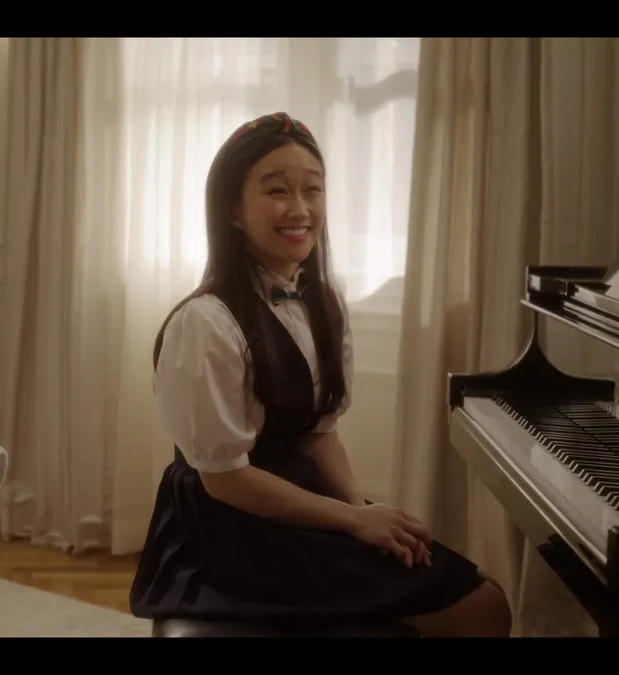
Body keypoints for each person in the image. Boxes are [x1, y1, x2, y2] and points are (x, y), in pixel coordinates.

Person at [128, 113, 512, 638]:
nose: (300, 208)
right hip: (229, 527)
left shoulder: (322, 303)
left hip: (298, 501)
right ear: (233, 210)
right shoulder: (205, 324)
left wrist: (361, 508)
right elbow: (224, 479)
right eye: (277, 190)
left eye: (313, 189)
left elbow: (319, 432)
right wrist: (352, 520)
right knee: (480, 610)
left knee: (485, 599)